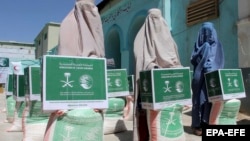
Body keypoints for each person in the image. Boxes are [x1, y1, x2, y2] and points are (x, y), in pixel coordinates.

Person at [133, 8, 182, 141]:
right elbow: (141, 60)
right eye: (153, 19)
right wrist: (152, 67)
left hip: (168, 86)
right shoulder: (140, 39)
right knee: (144, 112)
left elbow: (174, 58)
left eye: (158, 19)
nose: (156, 23)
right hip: (147, 84)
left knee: (166, 119)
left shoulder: (169, 39)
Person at [190, 22, 224, 136]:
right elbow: (193, 59)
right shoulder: (199, 45)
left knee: (208, 100)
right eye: (204, 32)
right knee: (197, 100)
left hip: (211, 77)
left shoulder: (217, 44)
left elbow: (219, 60)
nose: (207, 34)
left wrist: (210, 69)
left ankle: (207, 123)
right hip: (198, 78)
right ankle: (196, 124)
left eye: (209, 32)